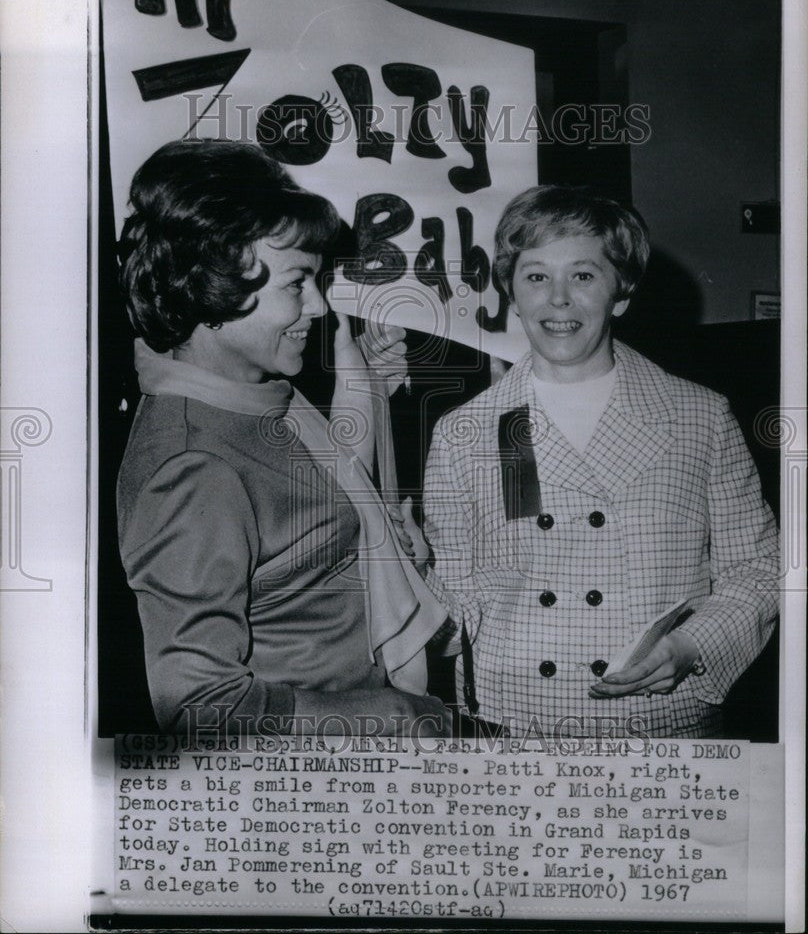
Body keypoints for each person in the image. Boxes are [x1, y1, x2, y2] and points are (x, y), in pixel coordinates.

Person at [116, 139, 449, 736]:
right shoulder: (193, 467)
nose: (319, 307)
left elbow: (308, 492)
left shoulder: (253, 398)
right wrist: (392, 717)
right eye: (298, 284)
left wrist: (367, 383)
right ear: (214, 283)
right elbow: (201, 709)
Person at [421, 185, 779, 739]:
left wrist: (693, 644)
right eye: (536, 276)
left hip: (663, 722)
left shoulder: (700, 418)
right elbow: (456, 618)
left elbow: (757, 569)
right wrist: (413, 572)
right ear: (511, 293)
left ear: (622, 292)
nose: (557, 299)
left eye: (583, 275)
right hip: (519, 723)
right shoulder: (465, 433)